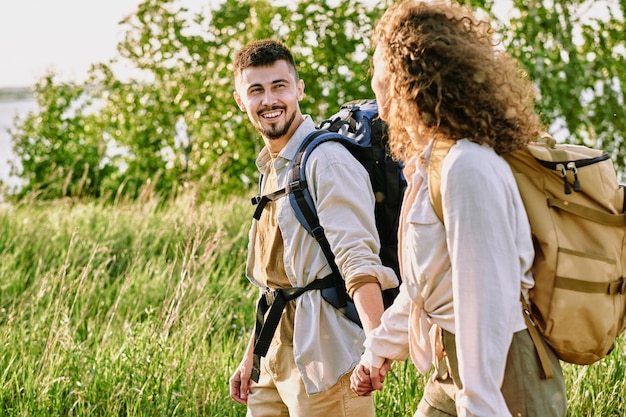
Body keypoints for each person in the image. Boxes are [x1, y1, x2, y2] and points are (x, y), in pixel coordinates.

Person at [350, 1, 567, 416]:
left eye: (377, 64)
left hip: (503, 373)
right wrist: (376, 352)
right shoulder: (432, 163)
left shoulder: (467, 167)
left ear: (403, 75)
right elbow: (426, 287)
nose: (372, 76)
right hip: (453, 367)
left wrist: (479, 401)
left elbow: (487, 303)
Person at [228, 39, 399, 417]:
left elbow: (358, 260)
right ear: (241, 100)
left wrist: (376, 345)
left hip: (326, 360)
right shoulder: (273, 166)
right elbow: (277, 282)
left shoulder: (327, 161)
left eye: (279, 86)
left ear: (298, 89)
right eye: (256, 90)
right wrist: (251, 357)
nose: (269, 99)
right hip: (272, 359)